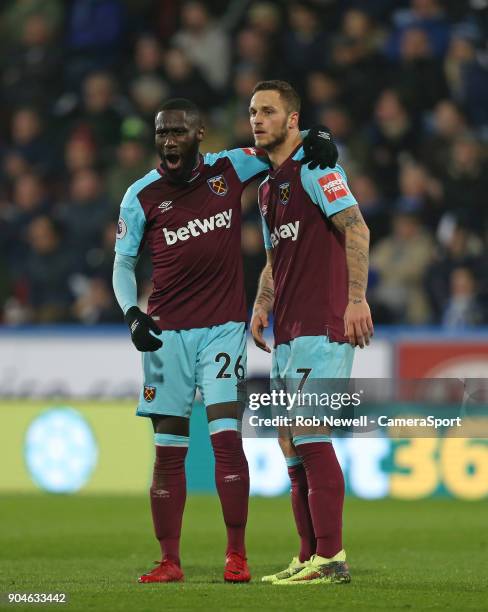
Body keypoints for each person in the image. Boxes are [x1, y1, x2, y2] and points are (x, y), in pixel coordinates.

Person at [112, 97, 338, 583]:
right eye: (161, 133)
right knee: (168, 449)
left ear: (199, 134)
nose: (168, 140)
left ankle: (236, 555)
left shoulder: (230, 167)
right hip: (165, 335)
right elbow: (123, 264)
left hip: (222, 328)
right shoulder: (141, 194)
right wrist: (132, 313)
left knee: (225, 439)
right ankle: (169, 560)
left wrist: (318, 134)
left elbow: (281, 147)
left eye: (177, 131)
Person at [249, 80, 372, 584]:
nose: (257, 119)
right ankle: (308, 556)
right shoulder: (264, 188)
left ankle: (332, 557)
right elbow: (276, 255)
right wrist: (261, 305)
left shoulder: (320, 168)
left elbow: (357, 228)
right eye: (253, 111)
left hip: (324, 325)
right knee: (288, 442)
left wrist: (357, 299)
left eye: (269, 111)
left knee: (311, 435)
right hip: (288, 332)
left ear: (293, 119)